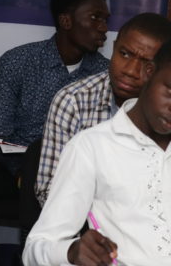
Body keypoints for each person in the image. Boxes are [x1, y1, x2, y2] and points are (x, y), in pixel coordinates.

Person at [22, 39, 171, 266]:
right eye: (170, 91)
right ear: (149, 73)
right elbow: (34, 249)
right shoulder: (92, 147)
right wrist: (70, 251)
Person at [36, 12, 171, 206]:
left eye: (146, 64)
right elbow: (49, 190)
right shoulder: (73, 101)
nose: (130, 71)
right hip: (84, 222)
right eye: (124, 54)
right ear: (113, 48)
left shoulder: (166, 114)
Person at [0, 0, 110, 175]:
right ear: (66, 21)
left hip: (85, 177)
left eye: (105, 20)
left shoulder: (106, 73)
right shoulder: (17, 63)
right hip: (21, 175)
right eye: (95, 18)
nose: (104, 28)